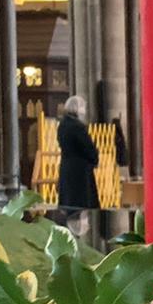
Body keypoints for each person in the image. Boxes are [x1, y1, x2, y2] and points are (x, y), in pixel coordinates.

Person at [56, 95, 100, 228]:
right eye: (83, 107)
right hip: (80, 171)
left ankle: (71, 226)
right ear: (77, 108)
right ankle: (81, 227)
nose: (84, 110)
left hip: (66, 167)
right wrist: (94, 158)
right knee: (82, 205)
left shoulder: (62, 125)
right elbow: (88, 148)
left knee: (69, 205)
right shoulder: (77, 126)